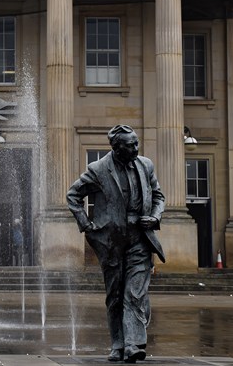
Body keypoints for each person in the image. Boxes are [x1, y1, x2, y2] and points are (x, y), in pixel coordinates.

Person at [67, 124, 166, 363]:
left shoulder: (145, 165)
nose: (135, 148)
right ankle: (118, 344)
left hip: (140, 238)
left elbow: (158, 196)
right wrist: (87, 226)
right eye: (130, 145)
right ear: (116, 148)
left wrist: (155, 216)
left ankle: (133, 344)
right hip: (111, 241)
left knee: (134, 292)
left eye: (136, 143)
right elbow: (73, 195)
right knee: (114, 295)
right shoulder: (98, 169)